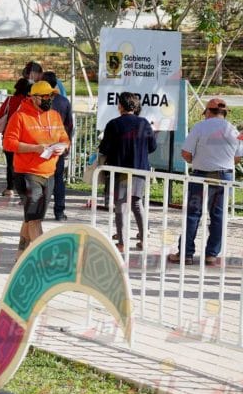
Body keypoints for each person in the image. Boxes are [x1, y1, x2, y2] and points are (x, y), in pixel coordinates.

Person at [168, 98, 243, 266]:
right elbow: (238, 157)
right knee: (218, 216)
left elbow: (186, 153)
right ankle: (211, 255)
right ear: (225, 113)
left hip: (201, 175)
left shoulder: (200, 127)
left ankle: (186, 254)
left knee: (193, 214)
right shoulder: (233, 130)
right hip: (224, 177)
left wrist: (196, 160)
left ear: (208, 111)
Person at [3, 80, 70, 260]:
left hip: (49, 173)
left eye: (51, 96)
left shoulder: (54, 116)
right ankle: (45, 258)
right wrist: (35, 148)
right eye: (45, 96)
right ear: (33, 98)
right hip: (27, 173)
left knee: (31, 217)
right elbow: (9, 143)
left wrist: (63, 147)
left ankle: (20, 254)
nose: (49, 99)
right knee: (34, 219)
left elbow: (64, 138)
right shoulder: (20, 116)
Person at [98, 92, 157, 253]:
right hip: (140, 170)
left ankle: (122, 243)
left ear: (120, 106)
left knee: (121, 205)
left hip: (120, 170)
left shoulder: (114, 124)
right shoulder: (144, 123)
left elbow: (104, 148)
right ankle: (144, 240)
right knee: (137, 203)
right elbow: (152, 147)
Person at [42, 71, 73, 221]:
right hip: (58, 145)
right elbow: (69, 125)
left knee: (40, 178)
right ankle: (59, 212)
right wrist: (67, 145)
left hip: (40, 145)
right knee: (58, 178)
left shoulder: (38, 100)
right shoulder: (64, 101)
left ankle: (39, 210)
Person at [0, 78, 30, 196]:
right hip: (25, 137)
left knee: (10, 164)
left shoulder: (10, 100)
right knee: (25, 164)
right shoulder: (30, 101)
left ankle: (10, 188)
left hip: (9, 136)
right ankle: (25, 189)